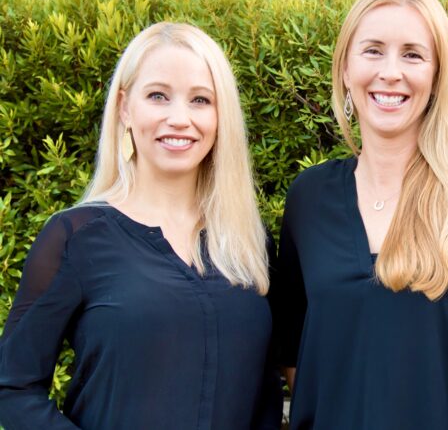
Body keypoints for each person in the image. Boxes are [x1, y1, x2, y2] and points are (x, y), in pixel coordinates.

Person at [272, 0, 448, 430]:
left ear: (435, 77)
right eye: (373, 50)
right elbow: (296, 357)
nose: (391, 72)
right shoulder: (309, 198)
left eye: (412, 54)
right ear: (344, 69)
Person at [0, 22, 282, 429]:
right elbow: (13, 385)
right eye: (158, 96)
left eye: (200, 99)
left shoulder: (249, 243)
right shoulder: (76, 238)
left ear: (222, 117)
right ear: (125, 108)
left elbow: (265, 394)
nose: (179, 118)